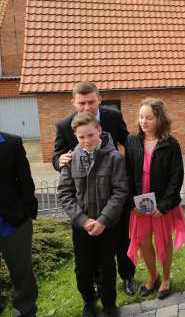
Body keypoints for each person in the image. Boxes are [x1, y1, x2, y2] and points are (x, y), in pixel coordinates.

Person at [51, 81, 136, 295]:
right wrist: (59, 160)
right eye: (82, 103)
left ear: (99, 98)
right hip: (85, 194)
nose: (87, 107)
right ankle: (98, 282)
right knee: (93, 249)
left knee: (122, 241)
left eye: (91, 101)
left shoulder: (113, 117)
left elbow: (128, 142)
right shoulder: (64, 125)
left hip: (113, 188)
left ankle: (128, 277)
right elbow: (57, 155)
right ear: (74, 102)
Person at [57, 112, 128, 317]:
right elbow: (65, 193)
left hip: (107, 225)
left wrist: (103, 220)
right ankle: (89, 301)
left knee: (107, 266)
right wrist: (82, 220)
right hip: (82, 226)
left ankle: (109, 304)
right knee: (83, 269)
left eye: (90, 135)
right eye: (81, 137)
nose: (87, 140)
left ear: (99, 131)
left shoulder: (114, 157)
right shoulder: (71, 159)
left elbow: (120, 191)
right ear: (75, 135)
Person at [125, 98, 185, 299]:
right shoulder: (132, 140)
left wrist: (164, 205)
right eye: (141, 117)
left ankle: (166, 279)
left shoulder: (170, 143)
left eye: (149, 117)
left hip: (162, 204)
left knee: (163, 241)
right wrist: (131, 202)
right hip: (140, 203)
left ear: (159, 118)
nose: (144, 121)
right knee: (143, 241)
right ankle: (153, 276)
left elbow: (176, 178)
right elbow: (126, 173)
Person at [0, 131, 38, 317]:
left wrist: (27, 215)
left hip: (13, 223)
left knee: (22, 273)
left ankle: (25, 310)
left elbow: (25, 180)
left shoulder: (11, 143)